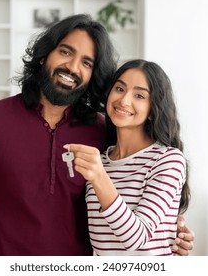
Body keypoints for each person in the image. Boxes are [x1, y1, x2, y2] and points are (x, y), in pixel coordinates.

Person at [0, 14, 193, 256]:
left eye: (87, 63)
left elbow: (133, 193)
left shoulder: (102, 131)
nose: (73, 67)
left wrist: (172, 230)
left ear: (92, 75)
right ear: (44, 55)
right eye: (66, 52)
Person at [66, 59, 190, 255]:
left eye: (139, 95)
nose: (124, 101)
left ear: (153, 110)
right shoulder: (100, 161)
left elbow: (136, 238)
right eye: (120, 89)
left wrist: (99, 177)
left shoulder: (168, 160)